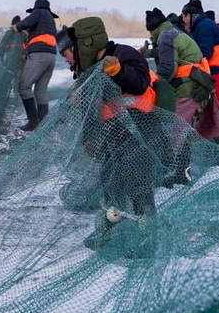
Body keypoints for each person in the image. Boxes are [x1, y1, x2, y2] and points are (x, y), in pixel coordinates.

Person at [62, 17, 164, 250]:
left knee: (138, 183)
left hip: (142, 127)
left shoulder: (125, 53)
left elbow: (139, 84)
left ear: (88, 41)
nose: (74, 52)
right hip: (114, 132)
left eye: (76, 45)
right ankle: (111, 231)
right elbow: (88, 107)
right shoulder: (88, 72)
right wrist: (89, 137)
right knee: (110, 182)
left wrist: (119, 71)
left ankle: (148, 237)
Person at [180, 0, 219, 116]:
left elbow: (204, 52)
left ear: (188, 15)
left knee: (217, 114)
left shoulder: (204, 26)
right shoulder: (201, 25)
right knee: (210, 114)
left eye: (183, 18)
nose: (183, 22)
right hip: (214, 74)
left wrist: (184, 61)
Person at [14, 0, 57, 131]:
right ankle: (43, 124)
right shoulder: (50, 19)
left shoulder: (39, 12)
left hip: (39, 55)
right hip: (51, 56)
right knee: (40, 90)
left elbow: (22, 25)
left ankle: (33, 123)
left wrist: (15, 27)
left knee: (24, 87)